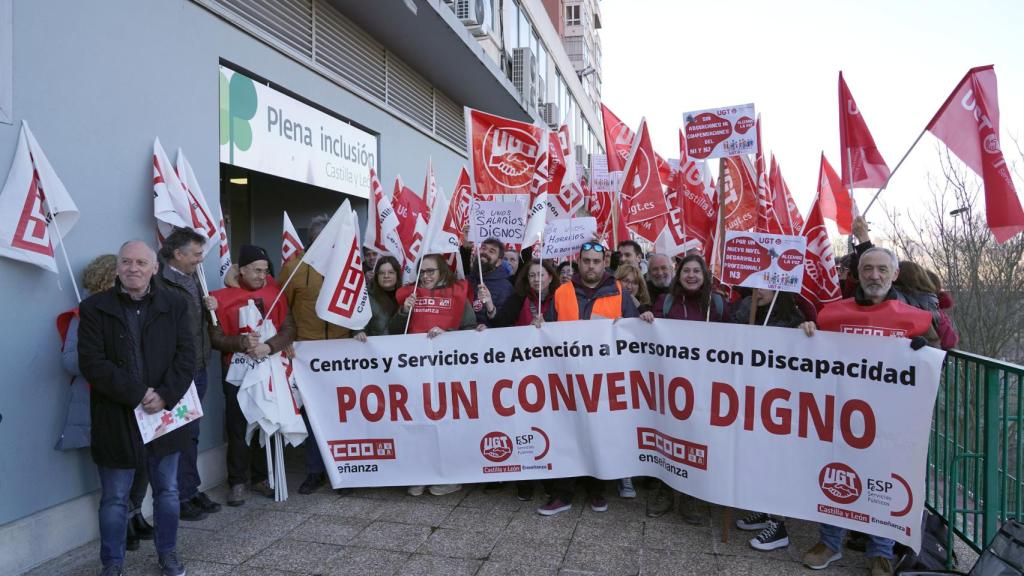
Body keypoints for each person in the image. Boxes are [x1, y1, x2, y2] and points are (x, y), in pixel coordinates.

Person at [799, 247, 936, 576]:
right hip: (841, 414)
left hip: (891, 419)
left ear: (894, 274)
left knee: (884, 483)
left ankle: (881, 551)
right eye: (868, 269)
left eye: (882, 270)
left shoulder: (914, 317)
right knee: (834, 474)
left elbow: (938, 352)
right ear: (857, 274)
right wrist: (806, 332)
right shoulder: (832, 314)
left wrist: (926, 348)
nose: (875, 276)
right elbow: (809, 354)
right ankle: (829, 543)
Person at [78, 240, 196, 576]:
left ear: (155, 267)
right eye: (127, 262)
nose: (134, 268)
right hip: (116, 417)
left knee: (168, 492)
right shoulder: (94, 308)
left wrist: (164, 395)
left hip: (165, 416)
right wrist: (138, 393)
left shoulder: (175, 304)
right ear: (117, 267)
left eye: (141, 262)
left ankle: (168, 554)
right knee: (115, 498)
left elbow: (186, 357)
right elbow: (92, 363)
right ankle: (112, 564)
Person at [537, 242, 651, 516]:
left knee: (599, 435)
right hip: (568, 376)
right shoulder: (562, 292)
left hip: (603, 381)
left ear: (604, 263)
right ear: (579, 262)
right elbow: (548, 330)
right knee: (567, 434)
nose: (591, 266)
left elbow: (634, 333)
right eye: (586, 261)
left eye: (596, 261)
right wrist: (538, 326)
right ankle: (563, 494)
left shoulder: (619, 292)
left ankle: (597, 490)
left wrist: (644, 317)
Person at [59, 255, 157, 553]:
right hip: (104, 402)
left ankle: (134, 512)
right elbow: (71, 362)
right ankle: (121, 522)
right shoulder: (85, 314)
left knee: (143, 461)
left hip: (138, 401)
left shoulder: (136, 311)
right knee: (118, 468)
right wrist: (105, 358)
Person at [209, 245, 297, 507]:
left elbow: (289, 328)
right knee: (237, 426)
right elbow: (215, 338)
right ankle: (237, 481)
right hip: (235, 373)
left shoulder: (275, 293)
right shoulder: (220, 298)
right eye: (257, 270)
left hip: (268, 370)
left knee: (264, 421)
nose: (263, 275)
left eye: (265, 270)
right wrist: (242, 343)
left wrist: (268, 346)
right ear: (242, 270)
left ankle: (261, 477)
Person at [279, 214, 354, 496]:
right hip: (307, 354)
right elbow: (280, 309)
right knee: (313, 415)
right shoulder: (293, 268)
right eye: (319, 241)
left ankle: (345, 470)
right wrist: (285, 339)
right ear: (311, 241)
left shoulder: (346, 264)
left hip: (341, 350)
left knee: (343, 413)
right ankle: (315, 471)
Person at [390, 253, 477, 496]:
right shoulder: (411, 295)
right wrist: (403, 312)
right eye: (422, 272)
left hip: (449, 371)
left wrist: (447, 333)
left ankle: (449, 476)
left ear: (441, 272)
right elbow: (393, 332)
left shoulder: (459, 296)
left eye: (431, 271)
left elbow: (470, 329)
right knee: (418, 421)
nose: (426, 276)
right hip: (416, 371)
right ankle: (420, 473)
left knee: (448, 423)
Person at [648, 253, 723, 524]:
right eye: (686, 271)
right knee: (669, 435)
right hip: (671, 382)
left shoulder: (716, 303)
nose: (691, 275)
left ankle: (691, 495)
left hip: (704, 383)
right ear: (678, 275)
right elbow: (649, 331)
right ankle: (666, 490)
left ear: (704, 276)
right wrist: (647, 316)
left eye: (697, 271)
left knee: (696, 438)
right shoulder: (665, 301)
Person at [154, 228, 221, 521]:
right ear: (178, 254)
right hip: (178, 372)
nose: (200, 259)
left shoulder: (195, 277)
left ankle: (190, 488)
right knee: (178, 435)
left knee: (192, 434)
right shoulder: (160, 283)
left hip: (199, 366)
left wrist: (211, 309)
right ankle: (179, 496)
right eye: (195, 254)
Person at [730, 288, 805, 551]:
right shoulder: (742, 310)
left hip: (777, 402)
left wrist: (808, 329)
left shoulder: (793, 318)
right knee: (757, 458)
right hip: (747, 397)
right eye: (756, 285)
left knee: (775, 462)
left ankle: (779, 524)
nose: (759, 290)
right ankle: (763, 511)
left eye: (766, 286)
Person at [490, 259, 559, 501]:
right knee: (522, 424)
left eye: (541, 274)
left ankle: (550, 477)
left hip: (551, 373)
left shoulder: (561, 297)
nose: (537, 279)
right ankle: (525, 478)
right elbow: (499, 324)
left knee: (550, 424)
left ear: (551, 277)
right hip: (521, 373)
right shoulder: (519, 298)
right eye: (532, 276)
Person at [465, 237, 515, 327]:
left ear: (498, 262)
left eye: (491, 251)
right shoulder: (466, 281)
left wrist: (490, 306)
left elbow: (504, 323)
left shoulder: (506, 287)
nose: (485, 252)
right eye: (483, 248)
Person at [354, 255, 401, 340]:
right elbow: (357, 323)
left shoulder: (406, 295)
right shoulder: (365, 296)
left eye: (391, 272)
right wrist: (358, 333)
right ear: (377, 275)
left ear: (397, 274)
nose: (386, 276)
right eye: (382, 273)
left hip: (402, 350)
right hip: (374, 351)